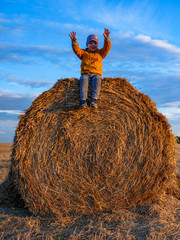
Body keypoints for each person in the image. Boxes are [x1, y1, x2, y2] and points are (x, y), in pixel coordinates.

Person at [69, 28, 111, 109]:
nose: (93, 45)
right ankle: (83, 101)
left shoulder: (100, 53)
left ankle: (94, 100)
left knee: (98, 80)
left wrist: (107, 39)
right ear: (87, 45)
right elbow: (77, 50)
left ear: (98, 45)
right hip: (86, 74)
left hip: (96, 74)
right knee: (83, 80)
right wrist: (74, 42)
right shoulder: (84, 53)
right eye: (91, 43)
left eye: (95, 43)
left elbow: (107, 48)